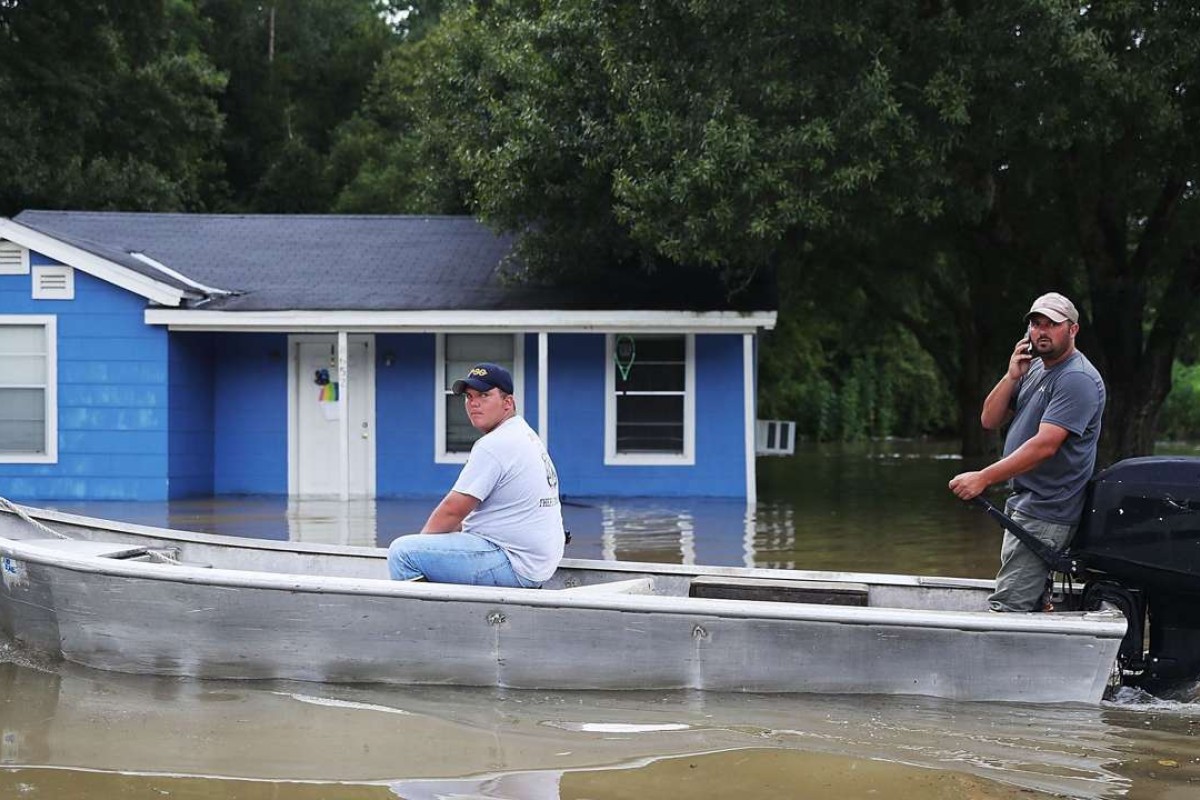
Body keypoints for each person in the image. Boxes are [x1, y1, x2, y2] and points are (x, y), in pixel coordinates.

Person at [948, 292, 1106, 612]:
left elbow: (1046, 445)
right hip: (1025, 503)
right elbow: (989, 420)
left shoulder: (1076, 378)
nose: (1041, 331)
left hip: (1048, 510)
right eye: (1036, 324)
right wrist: (1011, 375)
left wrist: (983, 477)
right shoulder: (1033, 368)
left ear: (1072, 330)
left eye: (1052, 324)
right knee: (1025, 601)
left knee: (1009, 606)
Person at [387, 362, 564, 587]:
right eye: (469, 397)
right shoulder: (525, 434)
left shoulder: (495, 444)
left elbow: (452, 511)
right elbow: (462, 519)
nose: (474, 403)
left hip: (514, 563)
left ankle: (429, 622)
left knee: (404, 553)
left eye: (484, 395)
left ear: (508, 402)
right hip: (536, 564)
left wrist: (422, 548)